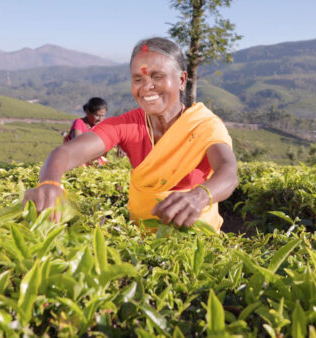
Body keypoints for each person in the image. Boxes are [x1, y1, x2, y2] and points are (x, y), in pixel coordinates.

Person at [23, 37, 238, 232]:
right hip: (139, 243)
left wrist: (199, 196)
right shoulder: (127, 125)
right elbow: (66, 152)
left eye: (157, 76)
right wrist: (49, 182)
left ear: (182, 80)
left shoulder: (204, 125)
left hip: (197, 242)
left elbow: (228, 171)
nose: (146, 88)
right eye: (138, 79)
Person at [63, 97, 109, 165]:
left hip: (94, 162)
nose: (100, 119)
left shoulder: (101, 126)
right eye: (97, 115)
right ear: (88, 112)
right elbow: (77, 145)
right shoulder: (79, 123)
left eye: (103, 116)